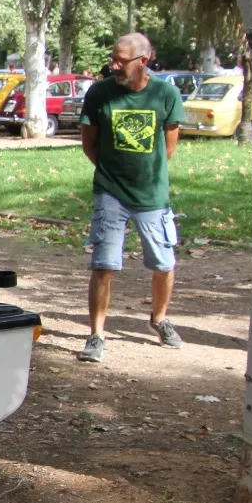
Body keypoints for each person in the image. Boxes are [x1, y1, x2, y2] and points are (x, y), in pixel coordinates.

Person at [77, 32, 188, 363]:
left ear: (144, 60)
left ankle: (159, 318)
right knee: (103, 265)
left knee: (163, 263)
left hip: (152, 195)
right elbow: (89, 144)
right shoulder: (100, 94)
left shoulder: (165, 94)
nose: (115, 66)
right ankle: (96, 335)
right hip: (110, 192)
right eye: (114, 58)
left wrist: (146, 175)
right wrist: (113, 173)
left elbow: (169, 147)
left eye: (121, 61)